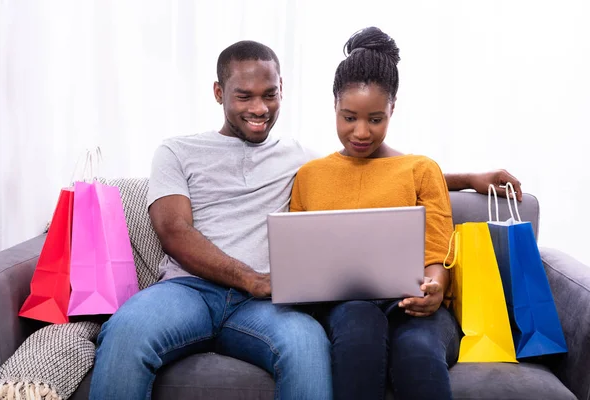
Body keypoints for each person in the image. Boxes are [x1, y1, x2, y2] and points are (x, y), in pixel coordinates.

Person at [89, 38, 522, 399]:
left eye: (270, 94)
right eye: (244, 96)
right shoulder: (176, 151)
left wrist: (467, 178)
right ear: (219, 93)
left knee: (309, 349)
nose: (259, 108)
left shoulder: (300, 160)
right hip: (189, 290)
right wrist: (251, 278)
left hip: (265, 305)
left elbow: (375, 170)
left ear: (283, 90)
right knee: (126, 333)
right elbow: (172, 230)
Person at [289, 27, 472, 400]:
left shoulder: (421, 169)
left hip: (415, 306)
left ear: (392, 109)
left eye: (375, 119)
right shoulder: (310, 176)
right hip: (345, 307)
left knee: (417, 353)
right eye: (348, 117)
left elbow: (438, 254)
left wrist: (435, 290)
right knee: (359, 331)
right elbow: (301, 262)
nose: (361, 132)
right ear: (334, 107)